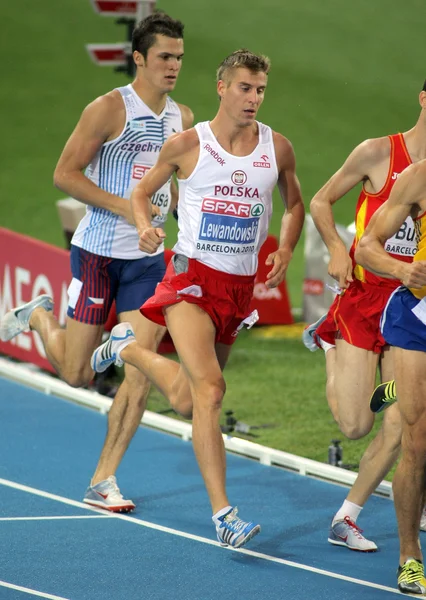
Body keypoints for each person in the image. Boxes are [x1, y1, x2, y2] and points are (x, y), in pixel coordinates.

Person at [90, 49, 305, 547]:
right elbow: (141, 193)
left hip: (238, 288)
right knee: (210, 391)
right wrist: (145, 227)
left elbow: (294, 203)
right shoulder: (188, 145)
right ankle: (223, 515)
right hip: (190, 279)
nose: (254, 99)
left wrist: (287, 247)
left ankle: (125, 347)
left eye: (261, 90)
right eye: (245, 88)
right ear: (222, 88)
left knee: (189, 402)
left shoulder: (279, 148)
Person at [0, 12, 193, 512]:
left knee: (140, 375)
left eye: (178, 57)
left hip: (147, 262)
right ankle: (40, 315)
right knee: (76, 374)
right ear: (139, 59)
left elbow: (179, 186)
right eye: (164, 57)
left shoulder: (183, 119)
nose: (173, 66)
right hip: (98, 255)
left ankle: (103, 479)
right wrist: (128, 206)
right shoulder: (107, 110)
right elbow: (65, 174)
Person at [302, 82, 426, 551]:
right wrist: (337, 247)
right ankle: (327, 339)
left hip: (410, 306)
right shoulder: (378, 153)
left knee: (403, 422)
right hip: (361, 297)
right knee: (356, 425)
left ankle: (346, 515)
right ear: (422, 99)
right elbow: (319, 200)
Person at [354, 157, 426, 594]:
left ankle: (402, 389)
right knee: (417, 442)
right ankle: (409, 556)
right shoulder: (419, 176)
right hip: (420, 316)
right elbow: (366, 245)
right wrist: (402, 269)